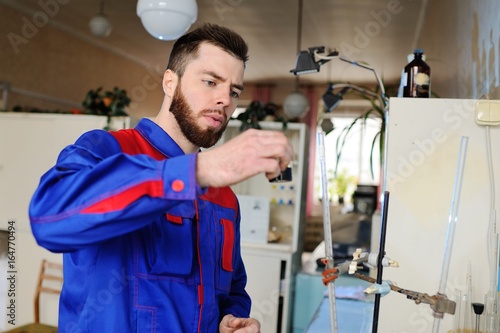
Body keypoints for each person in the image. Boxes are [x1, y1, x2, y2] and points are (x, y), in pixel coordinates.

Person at [29, 23, 294, 333]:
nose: (225, 100)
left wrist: (230, 318)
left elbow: (232, 286)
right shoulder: (107, 150)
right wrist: (197, 171)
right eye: (211, 81)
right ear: (170, 82)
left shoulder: (225, 198)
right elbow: (48, 219)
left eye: (234, 92)